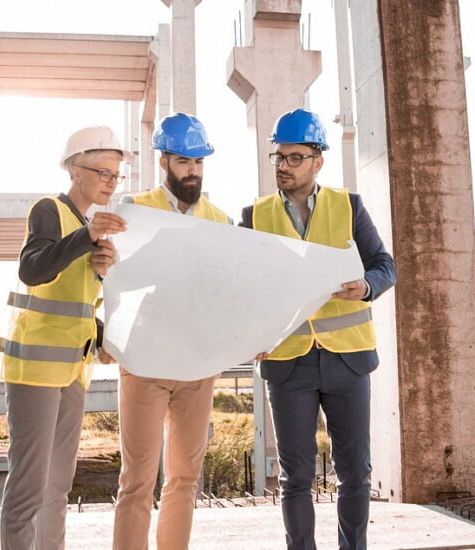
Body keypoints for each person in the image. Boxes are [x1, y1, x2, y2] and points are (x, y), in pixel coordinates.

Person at [239, 109, 396, 550]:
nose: (283, 166)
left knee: (354, 473)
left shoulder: (349, 206)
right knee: (295, 477)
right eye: (279, 157)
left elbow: (385, 266)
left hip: (348, 358)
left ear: (317, 161)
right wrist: (249, 335)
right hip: (288, 363)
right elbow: (238, 286)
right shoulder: (255, 215)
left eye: (294, 157)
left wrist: (366, 286)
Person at [0, 125, 130, 550]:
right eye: (104, 172)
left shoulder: (87, 226)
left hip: (74, 369)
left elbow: (76, 303)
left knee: (58, 488)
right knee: (29, 487)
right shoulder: (49, 210)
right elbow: (33, 270)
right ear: (75, 169)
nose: (111, 182)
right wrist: (85, 240)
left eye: (116, 175)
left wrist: (104, 330)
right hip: (35, 369)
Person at [111, 113, 233, 550]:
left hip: (197, 365)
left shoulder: (220, 220)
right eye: (184, 161)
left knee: (184, 479)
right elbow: (113, 277)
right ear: (165, 161)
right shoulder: (136, 208)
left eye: (199, 162)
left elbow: (228, 290)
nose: (193, 171)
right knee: (137, 481)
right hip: (145, 361)